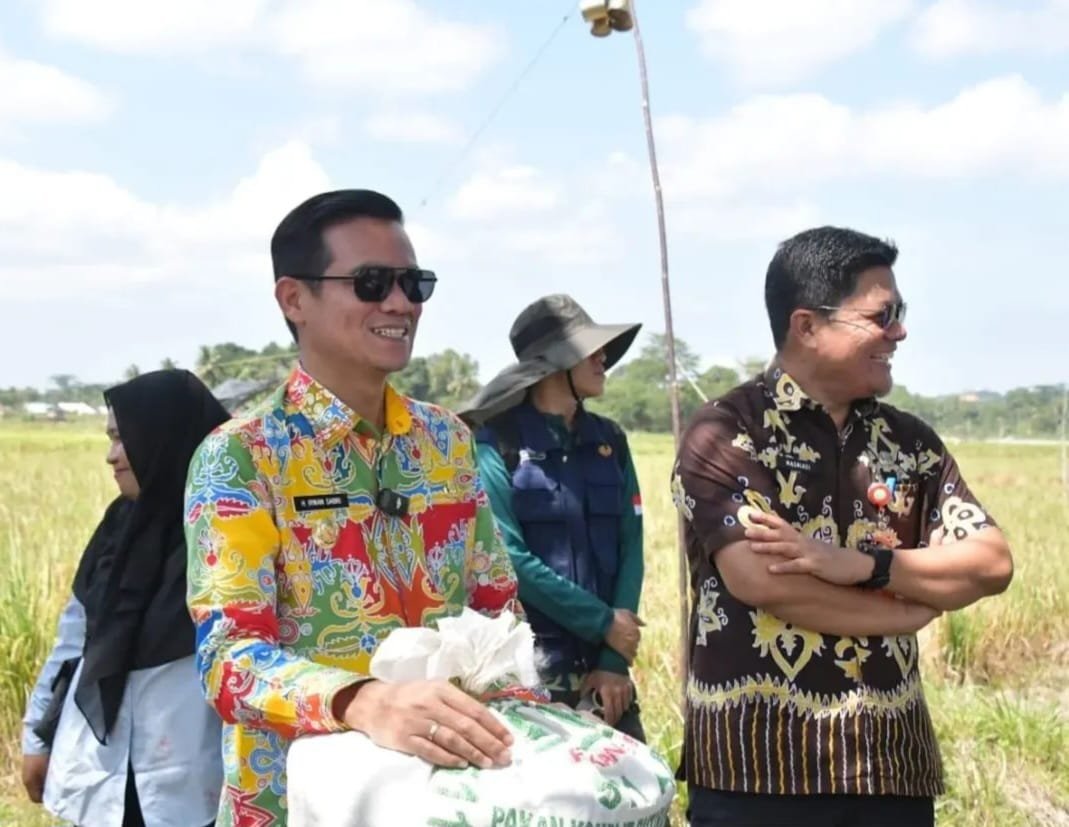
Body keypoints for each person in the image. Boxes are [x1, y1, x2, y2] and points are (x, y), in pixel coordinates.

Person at [184, 189, 522, 827]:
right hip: (302, 803)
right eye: (370, 282)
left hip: (450, 801)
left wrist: (530, 721)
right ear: (294, 299)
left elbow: (497, 608)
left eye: (413, 284)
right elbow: (228, 657)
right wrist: (362, 702)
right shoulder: (243, 456)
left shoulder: (446, 441)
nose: (400, 303)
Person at [671, 226, 1014, 827]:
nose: (899, 332)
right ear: (807, 326)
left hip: (888, 766)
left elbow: (990, 564)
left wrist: (864, 566)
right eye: (883, 316)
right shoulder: (727, 432)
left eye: (900, 314)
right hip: (757, 770)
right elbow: (764, 582)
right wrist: (905, 612)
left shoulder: (910, 442)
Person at [21, 369, 230, 827]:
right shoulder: (118, 530)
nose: (111, 456)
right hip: (101, 773)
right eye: (110, 439)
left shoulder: (228, 533)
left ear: (163, 439)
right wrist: (36, 738)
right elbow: (74, 640)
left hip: (196, 785)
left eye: (123, 438)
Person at [458, 294, 647, 740]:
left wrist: (614, 660)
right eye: (589, 350)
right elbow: (507, 557)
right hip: (530, 673)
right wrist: (603, 622)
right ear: (554, 365)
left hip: (606, 675)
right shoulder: (496, 445)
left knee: (633, 780)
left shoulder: (610, 441)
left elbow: (632, 544)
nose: (603, 358)